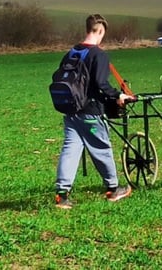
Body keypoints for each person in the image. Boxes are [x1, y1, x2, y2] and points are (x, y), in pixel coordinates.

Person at [54, 14, 134, 209]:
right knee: (101, 148)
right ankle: (113, 189)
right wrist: (118, 95)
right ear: (100, 31)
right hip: (90, 112)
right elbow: (101, 83)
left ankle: (62, 195)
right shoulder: (98, 54)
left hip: (70, 111)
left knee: (70, 150)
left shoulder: (72, 52)